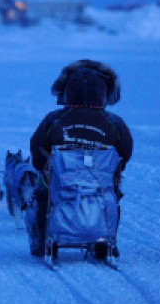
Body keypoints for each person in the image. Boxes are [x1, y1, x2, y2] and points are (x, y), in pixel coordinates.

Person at [29, 59, 133, 257]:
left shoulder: (54, 119)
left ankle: (43, 240)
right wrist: (116, 171)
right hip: (100, 183)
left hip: (62, 181)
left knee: (43, 194)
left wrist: (42, 168)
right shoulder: (115, 123)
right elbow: (125, 152)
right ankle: (109, 240)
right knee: (113, 195)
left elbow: (37, 147)